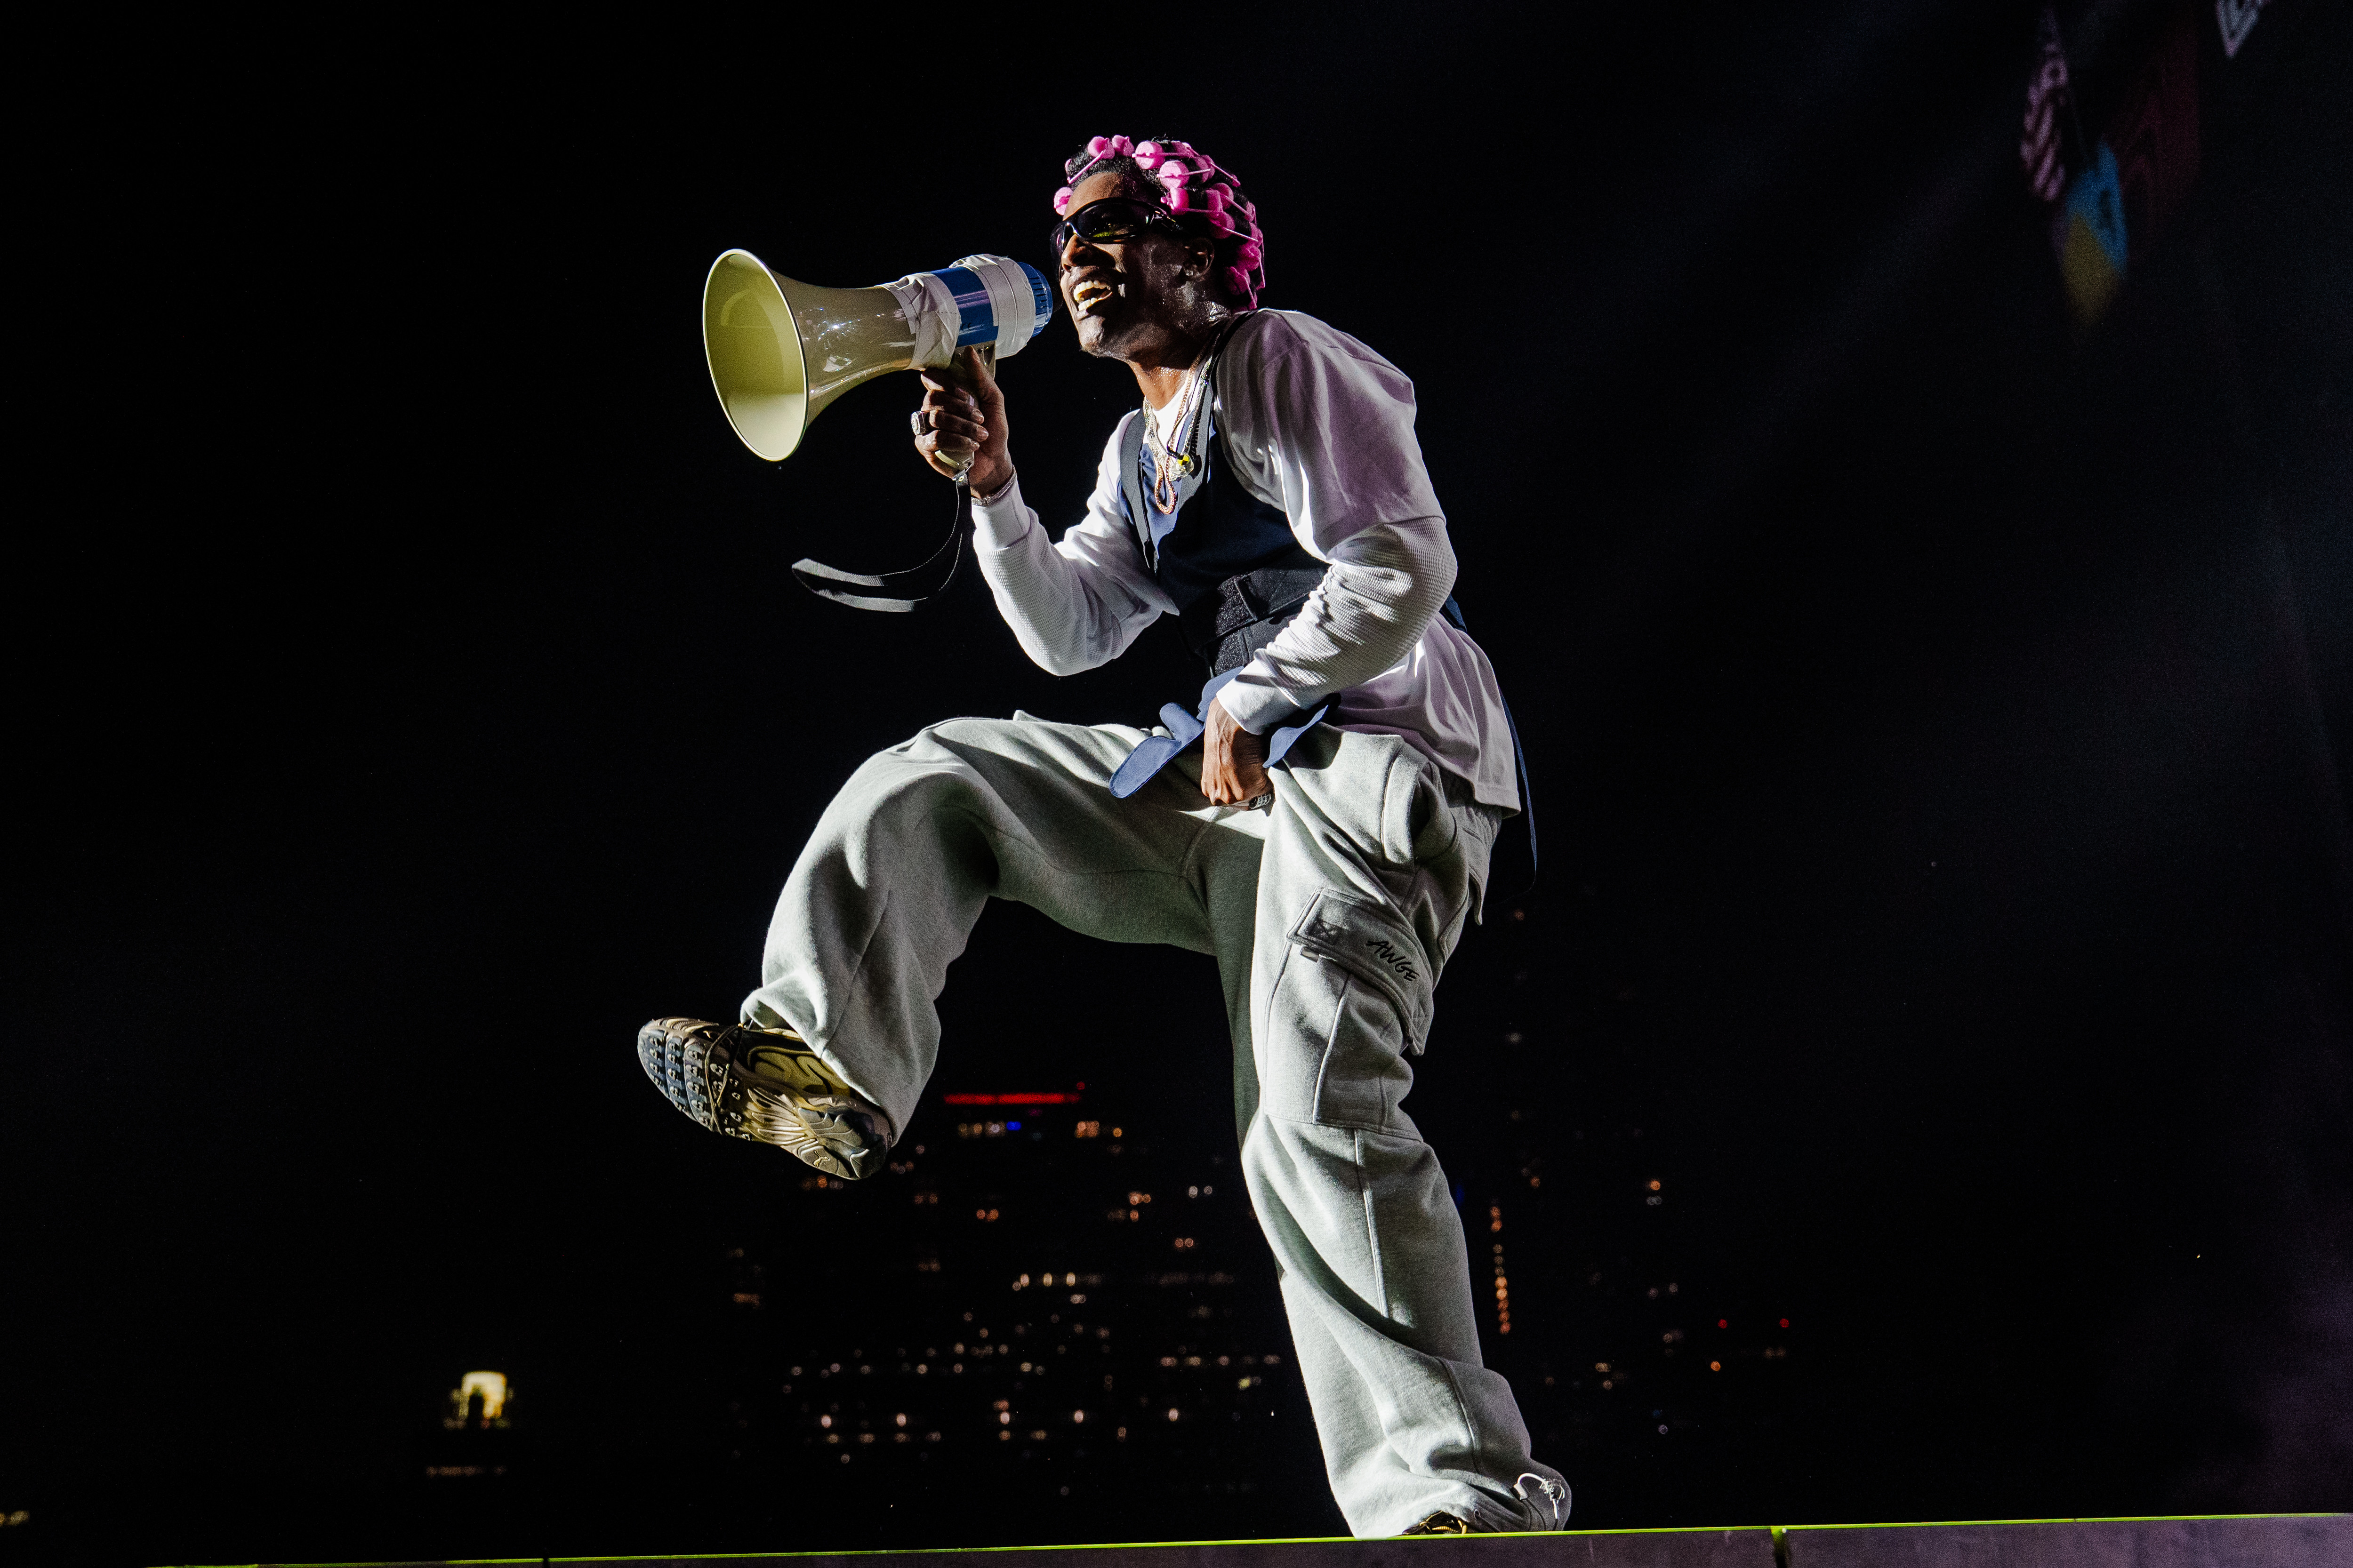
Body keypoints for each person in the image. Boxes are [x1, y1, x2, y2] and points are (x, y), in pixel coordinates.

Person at [638, 133, 1566, 1537]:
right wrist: (997, 489)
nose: (1077, 250)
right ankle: (826, 1058)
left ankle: (1463, 1504)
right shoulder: (1144, 446)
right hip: (1244, 775)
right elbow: (1073, 635)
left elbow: (1404, 558)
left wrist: (1254, 691)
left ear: (1202, 255)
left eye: (1117, 224)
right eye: (1066, 230)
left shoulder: (1280, 358)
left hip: (1381, 756)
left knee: (1310, 1121)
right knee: (948, 773)